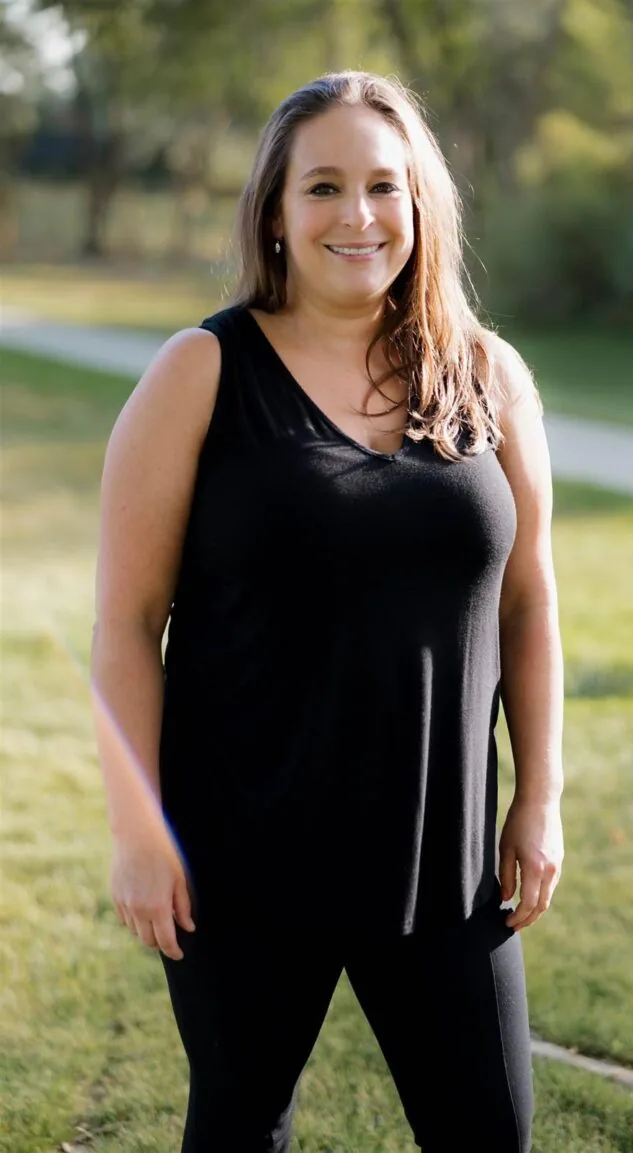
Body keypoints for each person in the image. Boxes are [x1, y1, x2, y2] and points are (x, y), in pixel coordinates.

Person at [90, 70, 564, 1153]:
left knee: (489, 1134)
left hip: (444, 863)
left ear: (421, 205)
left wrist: (541, 796)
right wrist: (138, 830)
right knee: (240, 1128)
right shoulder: (199, 372)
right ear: (273, 209)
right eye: (323, 187)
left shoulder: (488, 376)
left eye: (384, 186)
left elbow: (531, 601)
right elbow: (127, 620)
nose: (357, 216)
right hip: (243, 858)